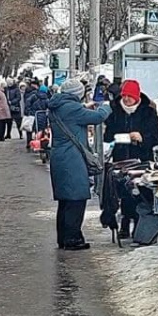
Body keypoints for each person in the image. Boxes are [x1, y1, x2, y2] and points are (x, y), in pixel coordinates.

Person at [48, 80, 110, 250]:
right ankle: (73, 239)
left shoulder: (58, 105)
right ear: (78, 93)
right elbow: (98, 117)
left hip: (60, 157)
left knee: (65, 201)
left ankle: (63, 238)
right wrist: (105, 106)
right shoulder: (72, 108)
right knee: (76, 198)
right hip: (72, 158)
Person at [103, 80, 158, 239]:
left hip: (141, 157)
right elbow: (107, 135)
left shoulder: (148, 111)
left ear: (137, 96)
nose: (127, 99)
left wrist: (142, 138)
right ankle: (124, 221)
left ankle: (138, 223)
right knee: (123, 192)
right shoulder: (115, 110)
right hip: (121, 157)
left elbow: (157, 137)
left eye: (130, 96)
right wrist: (115, 136)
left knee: (139, 191)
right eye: (124, 96)